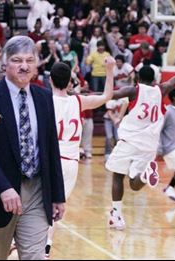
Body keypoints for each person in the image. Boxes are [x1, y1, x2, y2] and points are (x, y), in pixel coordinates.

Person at [0, 36, 65, 260]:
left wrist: (58, 194)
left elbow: (51, 148)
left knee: (35, 257)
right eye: (17, 60)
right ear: (4, 64)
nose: (24, 66)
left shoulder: (44, 97)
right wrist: (3, 187)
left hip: (38, 190)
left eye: (30, 60)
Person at [106, 46, 175, 230]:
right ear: (153, 79)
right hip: (148, 145)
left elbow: (108, 95)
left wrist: (77, 96)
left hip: (130, 141)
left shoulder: (133, 90)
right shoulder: (160, 90)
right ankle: (144, 177)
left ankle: (117, 214)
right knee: (135, 184)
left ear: (138, 78)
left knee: (117, 176)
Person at [45, 56, 116, 258]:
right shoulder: (78, 101)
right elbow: (106, 96)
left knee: (39, 205)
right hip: (71, 164)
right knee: (54, 209)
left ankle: (31, 241)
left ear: (50, 80)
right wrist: (109, 70)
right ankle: (46, 245)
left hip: (51, 160)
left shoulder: (45, 100)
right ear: (69, 81)